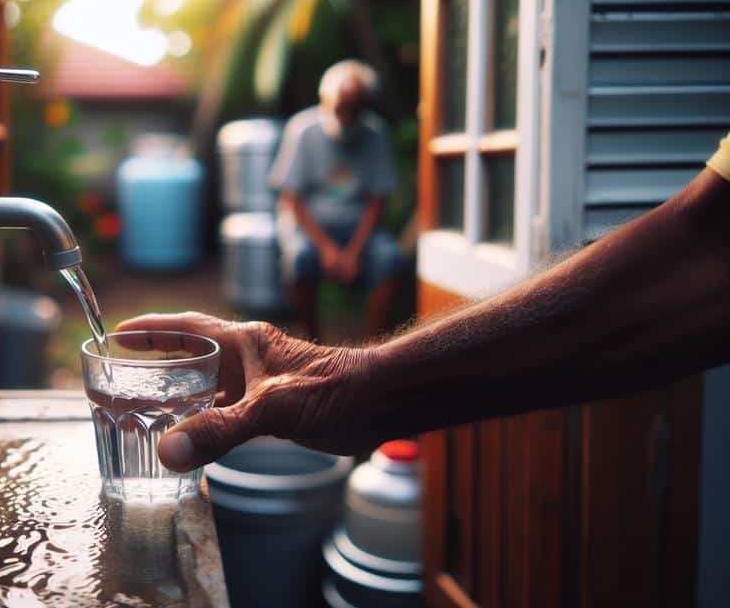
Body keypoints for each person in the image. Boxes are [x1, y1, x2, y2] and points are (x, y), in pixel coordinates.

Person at [117, 133, 730, 474]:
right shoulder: (307, 136)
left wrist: (361, 379)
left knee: (384, 262)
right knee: (301, 261)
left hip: (357, 235)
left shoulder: (372, 145)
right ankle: (324, 331)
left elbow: (706, 253)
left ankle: (364, 332)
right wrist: (362, 380)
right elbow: (708, 246)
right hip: (317, 235)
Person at [269, 60, 407, 340]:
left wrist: (353, 252)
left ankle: (373, 349)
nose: (345, 117)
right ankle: (313, 341)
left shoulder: (375, 133)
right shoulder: (303, 129)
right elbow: (292, 199)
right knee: (298, 259)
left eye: (353, 110)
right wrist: (328, 250)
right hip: (310, 225)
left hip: (359, 228)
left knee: (391, 259)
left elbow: (377, 201)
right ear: (325, 100)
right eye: (340, 108)